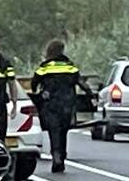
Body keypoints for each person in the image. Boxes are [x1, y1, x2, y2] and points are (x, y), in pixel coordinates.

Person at [31, 39, 93, 173]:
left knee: (54, 130)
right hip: (67, 103)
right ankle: (62, 156)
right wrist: (91, 95)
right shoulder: (70, 68)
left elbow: (34, 84)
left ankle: (56, 156)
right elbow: (82, 84)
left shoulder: (45, 68)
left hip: (50, 103)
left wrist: (38, 92)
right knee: (64, 130)